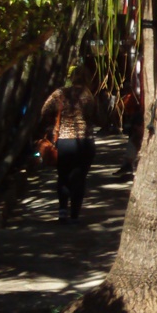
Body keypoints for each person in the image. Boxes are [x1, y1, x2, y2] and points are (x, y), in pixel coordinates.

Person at [41, 67, 98, 224]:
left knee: (63, 176)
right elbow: (95, 115)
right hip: (83, 141)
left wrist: (53, 122)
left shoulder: (60, 93)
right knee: (79, 177)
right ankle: (75, 214)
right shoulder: (88, 95)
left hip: (64, 142)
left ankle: (62, 211)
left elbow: (44, 110)